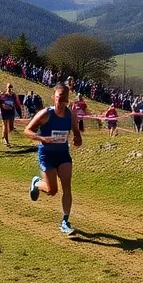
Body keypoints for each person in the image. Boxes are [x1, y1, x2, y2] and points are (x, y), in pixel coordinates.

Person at [25, 83, 83, 236]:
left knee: (67, 187)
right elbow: (27, 130)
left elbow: (76, 133)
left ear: (67, 100)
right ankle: (37, 183)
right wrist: (41, 138)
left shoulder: (71, 115)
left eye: (64, 99)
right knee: (52, 191)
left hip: (63, 154)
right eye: (58, 98)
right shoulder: (46, 114)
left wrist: (78, 139)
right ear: (53, 98)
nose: (61, 102)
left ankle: (65, 221)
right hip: (47, 155)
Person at [0, 83, 22, 147]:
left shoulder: (13, 96)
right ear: (6, 88)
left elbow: (17, 104)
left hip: (11, 112)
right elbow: (0, 103)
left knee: (11, 128)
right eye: (9, 87)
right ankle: (6, 141)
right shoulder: (3, 95)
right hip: (4, 112)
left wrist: (20, 111)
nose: (10, 89)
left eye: (11, 88)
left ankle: (4, 135)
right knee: (5, 126)